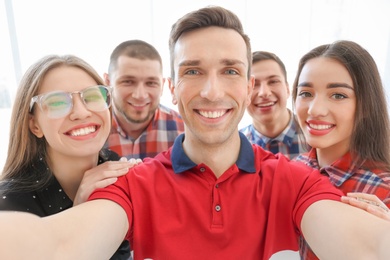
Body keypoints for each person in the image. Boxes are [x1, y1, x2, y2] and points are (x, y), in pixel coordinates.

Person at [1, 6, 390, 260]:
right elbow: (57, 246)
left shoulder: (297, 180)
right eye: (192, 71)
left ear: (248, 85)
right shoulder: (131, 182)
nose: (212, 91)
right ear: (173, 87)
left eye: (230, 71)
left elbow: (367, 247)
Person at [0, 54, 141, 259]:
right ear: (34, 125)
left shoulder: (112, 164)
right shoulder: (9, 206)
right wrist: (79, 215)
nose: (81, 113)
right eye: (57, 102)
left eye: (92, 96)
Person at [292, 40, 390, 259]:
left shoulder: (383, 190)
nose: (315, 110)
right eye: (306, 93)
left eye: (338, 95)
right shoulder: (292, 169)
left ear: (365, 106)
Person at [103, 39, 184, 159]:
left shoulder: (184, 132)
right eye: (128, 82)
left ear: (162, 85)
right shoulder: (92, 130)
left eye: (151, 83)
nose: (140, 95)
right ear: (108, 82)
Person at [240, 51, 307, 159]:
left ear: (287, 89)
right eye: (254, 84)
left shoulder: (314, 137)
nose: (264, 93)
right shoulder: (235, 147)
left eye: (273, 81)